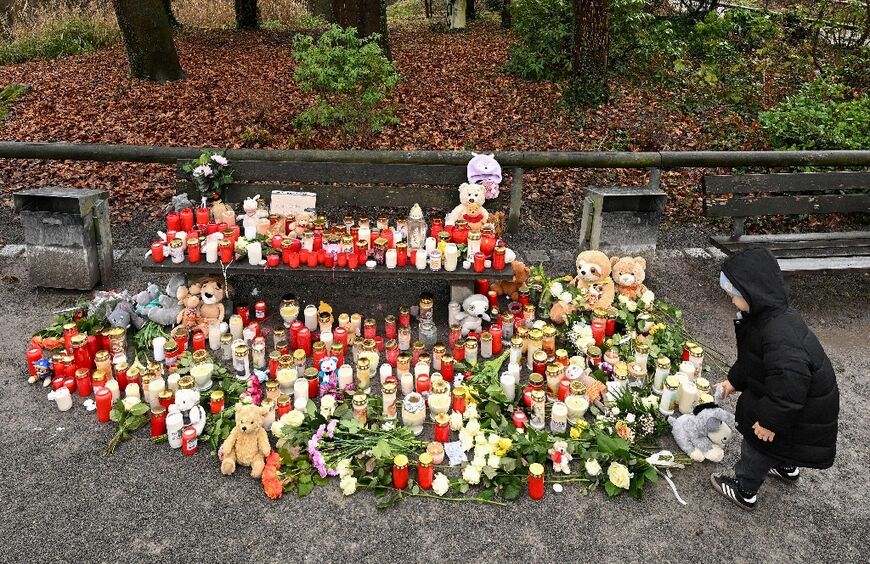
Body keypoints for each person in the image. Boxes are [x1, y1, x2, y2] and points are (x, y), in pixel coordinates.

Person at [710, 247, 839, 511]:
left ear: (753, 293)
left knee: (757, 445)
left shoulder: (779, 337)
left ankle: (745, 490)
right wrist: (733, 382)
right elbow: (753, 362)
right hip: (795, 408)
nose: (732, 301)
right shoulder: (767, 318)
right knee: (782, 443)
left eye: (735, 295)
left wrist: (769, 422)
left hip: (793, 411)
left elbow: (789, 387)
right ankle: (786, 465)